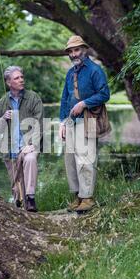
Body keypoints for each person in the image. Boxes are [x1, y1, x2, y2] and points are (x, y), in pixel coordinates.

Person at [59, 35, 110, 213]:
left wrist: (84, 103)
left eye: (77, 50)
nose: (74, 54)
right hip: (71, 122)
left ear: (84, 50)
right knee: (70, 159)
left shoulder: (95, 70)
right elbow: (65, 98)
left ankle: (87, 197)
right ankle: (78, 196)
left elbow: (105, 94)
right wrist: (62, 123)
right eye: (71, 51)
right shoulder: (70, 72)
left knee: (86, 158)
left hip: (88, 119)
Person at [0, 66, 43, 212]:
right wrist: (2, 118)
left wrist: (32, 144)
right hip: (9, 149)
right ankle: (22, 210)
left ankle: (31, 197)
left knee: (30, 159)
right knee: (17, 191)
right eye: (16, 78)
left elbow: (39, 123)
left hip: (28, 146)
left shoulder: (33, 98)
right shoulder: (2, 103)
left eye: (21, 77)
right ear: (8, 82)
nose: (21, 80)